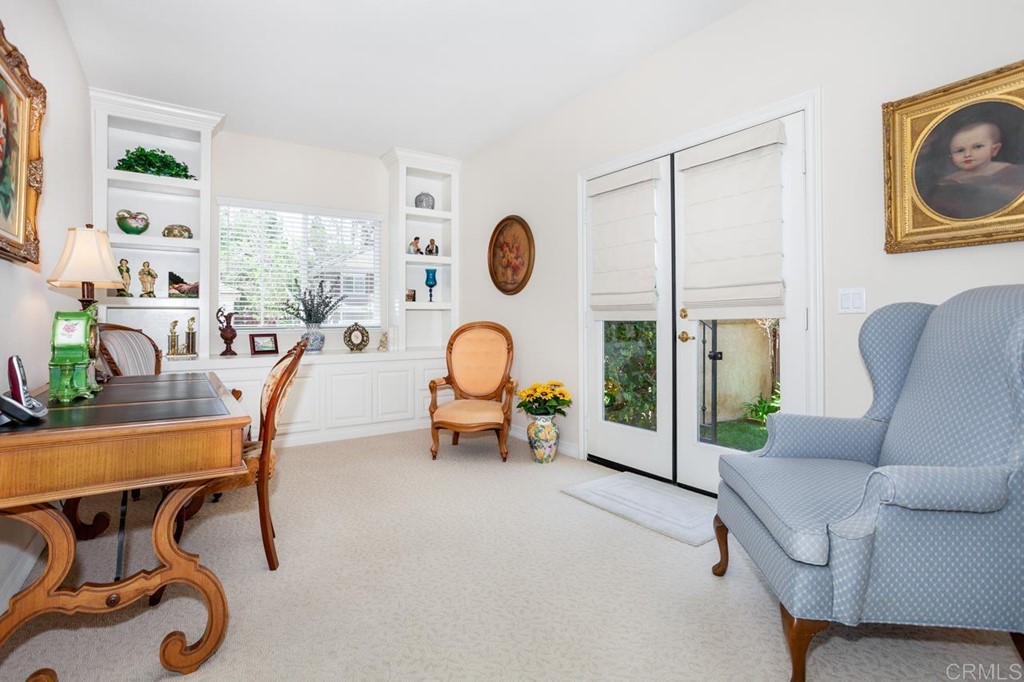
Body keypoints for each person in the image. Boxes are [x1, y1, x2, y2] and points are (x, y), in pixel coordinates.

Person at [924, 121, 1024, 220]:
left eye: (977, 147)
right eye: (960, 150)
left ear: (994, 149)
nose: (967, 154)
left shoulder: (1011, 171)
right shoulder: (948, 181)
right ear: (951, 156)